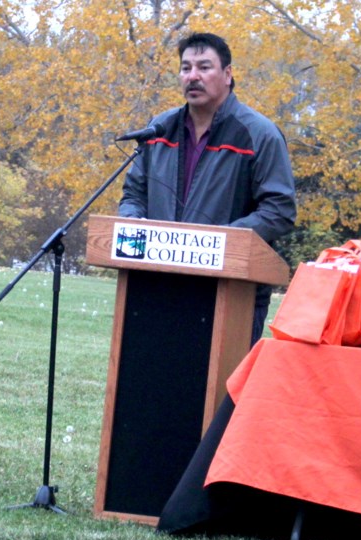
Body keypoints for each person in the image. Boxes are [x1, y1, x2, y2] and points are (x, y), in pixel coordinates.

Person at [119, 32, 296, 345]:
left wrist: (216, 244)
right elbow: (134, 195)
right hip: (157, 285)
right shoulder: (160, 129)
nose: (193, 76)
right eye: (186, 68)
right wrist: (136, 224)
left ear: (227, 75)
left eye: (204, 67)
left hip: (231, 290)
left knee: (216, 391)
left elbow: (279, 211)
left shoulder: (259, 134)